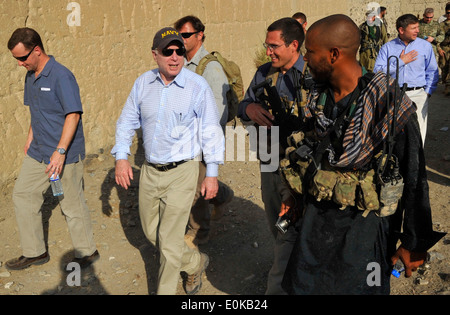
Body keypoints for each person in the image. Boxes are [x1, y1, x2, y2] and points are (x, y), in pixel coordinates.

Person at [279, 14, 445, 295]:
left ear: (333, 54)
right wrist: (294, 197)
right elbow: (311, 154)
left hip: (365, 233)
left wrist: (412, 244)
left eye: (310, 52)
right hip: (315, 225)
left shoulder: (388, 106)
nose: (305, 59)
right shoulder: (319, 98)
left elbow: (415, 178)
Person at [111, 27, 224, 295]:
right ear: (155, 54)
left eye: (179, 51)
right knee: (153, 234)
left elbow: (210, 130)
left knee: (170, 243)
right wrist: (121, 158)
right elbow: (126, 121)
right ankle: (195, 263)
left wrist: (212, 173)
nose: (174, 57)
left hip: (183, 171)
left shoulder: (197, 86)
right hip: (150, 172)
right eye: (167, 51)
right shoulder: (143, 83)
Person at [5, 28, 99, 271]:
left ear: (37, 50)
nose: (19, 64)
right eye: (16, 59)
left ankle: (87, 251)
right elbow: (36, 111)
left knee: (69, 202)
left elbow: (73, 115)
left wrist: (60, 151)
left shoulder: (61, 76)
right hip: (38, 151)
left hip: (62, 155)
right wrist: (29, 138)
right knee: (23, 195)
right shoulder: (31, 75)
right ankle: (35, 252)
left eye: (22, 58)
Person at [237, 17, 308, 295]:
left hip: (302, 166)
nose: (268, 51)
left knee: (296, 226)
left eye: (273, 46)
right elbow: (243, 105)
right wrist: (250, 109)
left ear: (294, 45)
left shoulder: (313, 75)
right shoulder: (265, 73)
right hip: (270, 160)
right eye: (267, 46)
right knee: (276, 224)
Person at [174, 15, 234, 248]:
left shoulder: (211, 68)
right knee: (197, 182)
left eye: (186, 35)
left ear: (200, 36)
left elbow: (218, 111)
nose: (181, 39)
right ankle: (223, 195)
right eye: (179, 35)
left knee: (194, 186)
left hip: (201, 139)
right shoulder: (181, 63)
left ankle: (199, 231)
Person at [374, 14, 439, 146]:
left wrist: (427, 92)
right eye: (413, 28)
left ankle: (416, 162)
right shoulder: (388, 48)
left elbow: (432, 71)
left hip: (418, 95)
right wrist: (400, 62)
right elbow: (377, 72)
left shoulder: (425, 46)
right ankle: (395, 159)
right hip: (394, 94)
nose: (418, 31)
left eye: (417, 27)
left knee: (418, 130)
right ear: (401, 30)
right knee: (394, 129)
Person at [439, 3, 450, 93]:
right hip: (444, 48)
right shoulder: (442, 25)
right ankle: (446, 84)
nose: (449, 14)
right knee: (444, 66)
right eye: (448, 12)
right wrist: (439, 49)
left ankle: (448, 87)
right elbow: (438, 38)